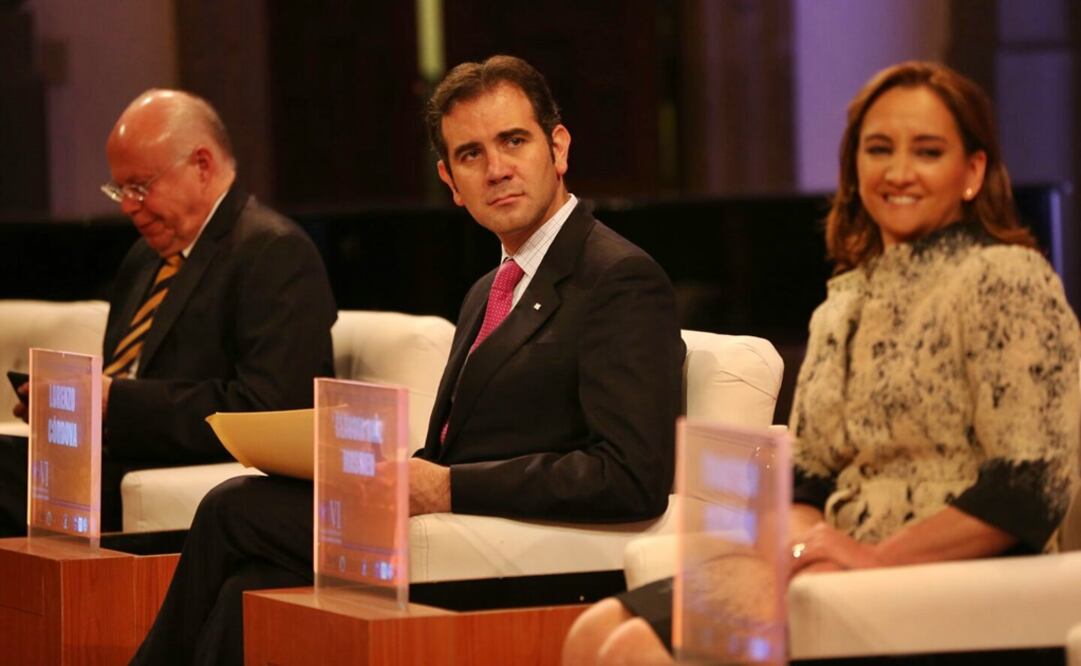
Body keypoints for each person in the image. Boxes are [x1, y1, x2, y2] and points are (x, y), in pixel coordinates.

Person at [131, 55, 684, 664]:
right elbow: (460, 441)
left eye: (514, 141)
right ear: (450, 181)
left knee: (232, 507)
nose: (497, 169)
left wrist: (447, 486)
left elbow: (631, 474)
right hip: (441, 517)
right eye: (471, 154)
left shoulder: (620, 278)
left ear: (558, 147)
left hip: (502, 541)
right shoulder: (489, 288)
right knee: (249, 587)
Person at [562, 60, 1081, 665]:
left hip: (958, 583)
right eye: (879, 148)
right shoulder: (846, 300)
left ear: (972, 172)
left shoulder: (1009, 281)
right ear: (854, 167)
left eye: (928, 151)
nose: (898, 171)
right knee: (594, 631)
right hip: (835, 563)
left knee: (636, 651)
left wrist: (868, 559)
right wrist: (796, 555)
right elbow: (809, 478)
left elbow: (1032, 490)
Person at [3, 89, 337, 533]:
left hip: (163, 469)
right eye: (119, 189)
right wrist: (72, 406)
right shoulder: (145, 258)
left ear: (202, 165)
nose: (126, 206)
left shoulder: (273, 251)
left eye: (139, 186)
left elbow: (268, 410)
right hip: (105, 459)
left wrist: (111, 403)